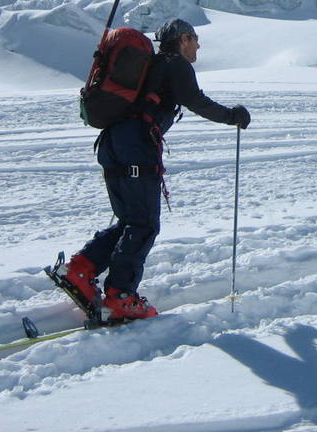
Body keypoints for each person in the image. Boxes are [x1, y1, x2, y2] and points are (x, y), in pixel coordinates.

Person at [55, 18, 251, 320]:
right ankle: (122, 296)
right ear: (183, 39)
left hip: (111, 143)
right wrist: (232, 116)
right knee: (144, 223)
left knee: (129, 220)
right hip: (137, 145)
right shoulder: (175, 64)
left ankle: (80, 269)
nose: (199, 45)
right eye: (195, 39)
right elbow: (194, 100)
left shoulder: (149, 66)